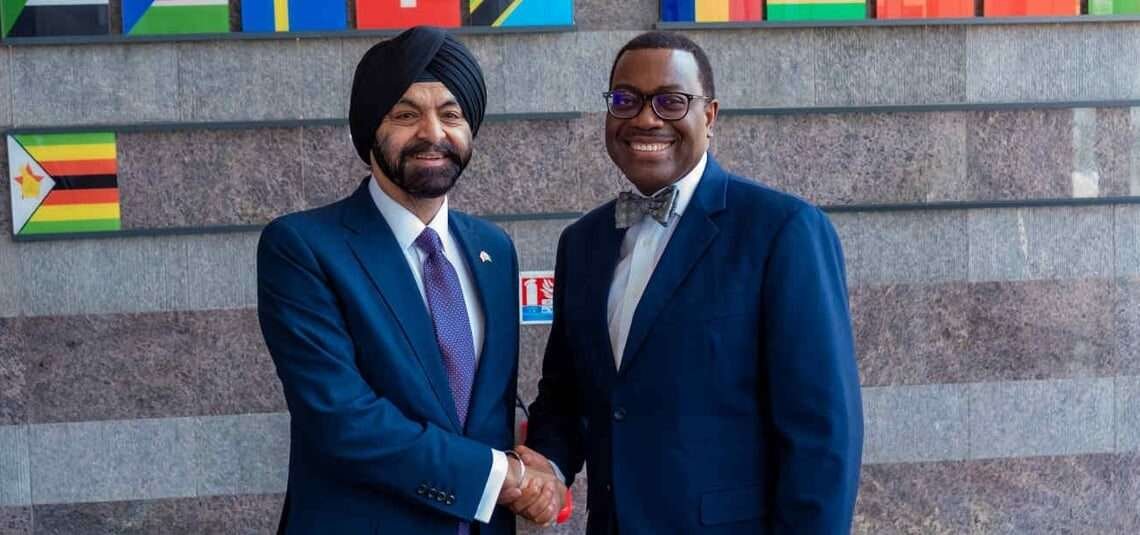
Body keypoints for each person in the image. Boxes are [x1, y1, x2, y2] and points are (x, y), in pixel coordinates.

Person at [520, 31, 864, 534]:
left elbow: (824, 433)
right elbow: (567, 395)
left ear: (710, 114)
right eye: (625, 100)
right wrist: (545, 468)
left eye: (670, 100)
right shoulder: (582, 242)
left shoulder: (782, 230)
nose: (645, 117)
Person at [257, 26, 561, 535]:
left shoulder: (494, 250)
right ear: (370, 130)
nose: (433, 134)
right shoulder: (303, 246)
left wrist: (542, 466)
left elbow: (484, 406)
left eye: (451, 114)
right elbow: (342, 419)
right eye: (405, 114)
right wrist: (500, 477)